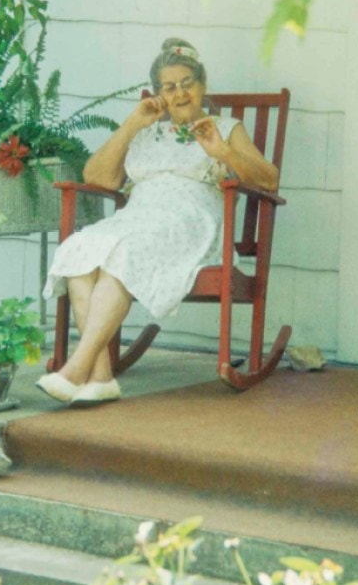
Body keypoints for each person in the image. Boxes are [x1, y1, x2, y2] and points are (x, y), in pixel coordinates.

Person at [37, 38, 278, 407]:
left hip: (190, 222)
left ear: (202, 85)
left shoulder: (226, 127)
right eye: (169, 87)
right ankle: (100, 377)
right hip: (138, 217)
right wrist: (132, 123)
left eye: (187, 83)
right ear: (158, 95)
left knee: (123, 252)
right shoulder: (145, 131)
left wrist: (222, 152)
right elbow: (97, 176)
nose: (180, 93)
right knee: (79, 250)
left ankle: (75, 370)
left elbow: (269, 179)